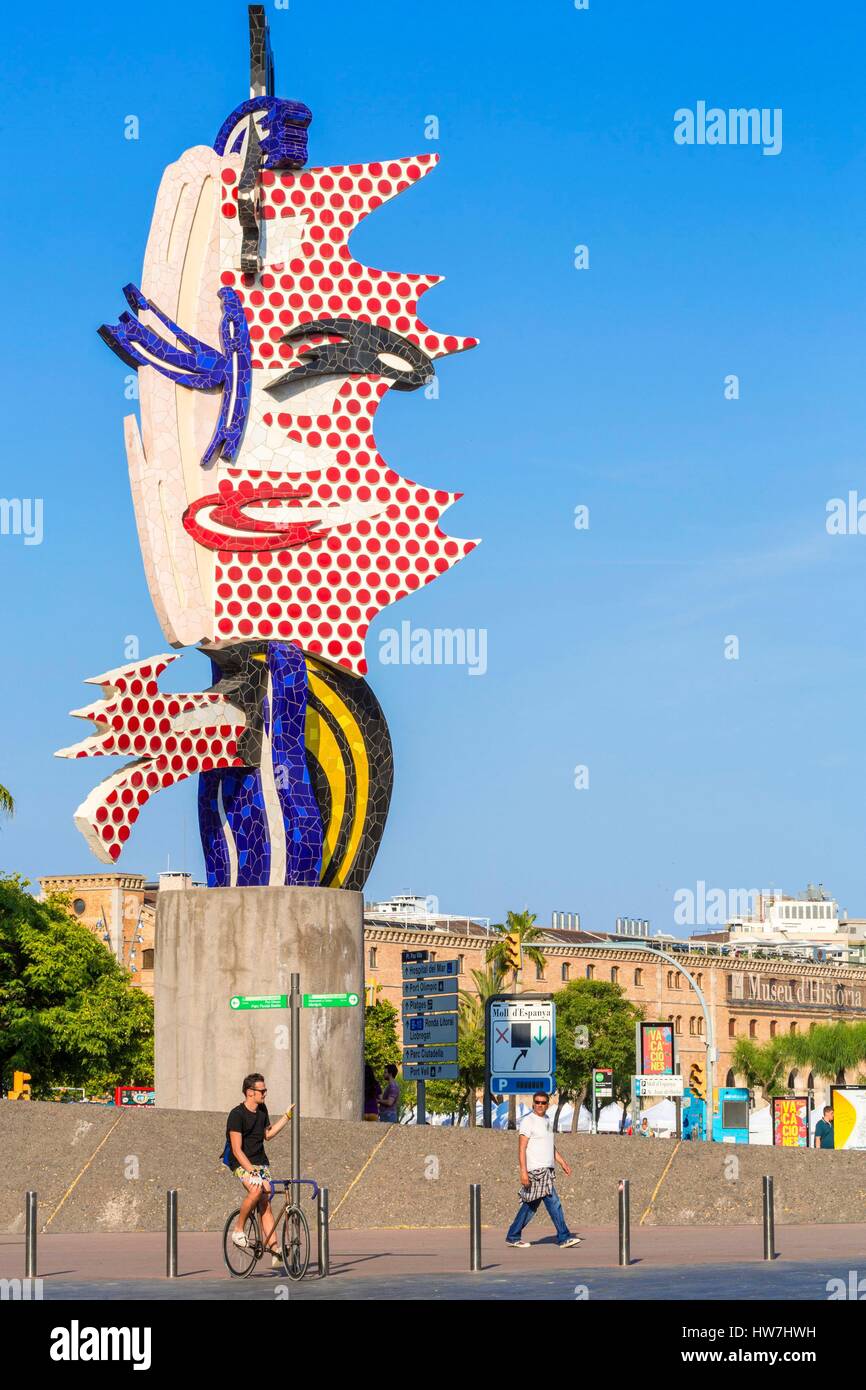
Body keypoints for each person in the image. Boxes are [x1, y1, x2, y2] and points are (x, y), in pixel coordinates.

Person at [226, 1074, 294, 1269]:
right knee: (256, 1190)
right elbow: (237, 1150)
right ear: (250, 1093)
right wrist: (252, 1173)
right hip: (240, 1163)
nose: (265, 1094)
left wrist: (286, 1117)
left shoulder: (262, 1110)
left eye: (265, 1090)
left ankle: (275, 1251)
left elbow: (268, 1135)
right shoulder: (236, 1115)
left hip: (260, 1162)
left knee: (266, 1201)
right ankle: (238, 1230)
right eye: (262, 1091)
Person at [506, 1092, 581, 1249]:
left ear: (547, 1104)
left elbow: (549, 1146)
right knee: (554, 1203)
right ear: (533, 1103)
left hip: (547, 1170)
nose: (540, 1105)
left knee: (530, 1206)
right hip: (536, 1170)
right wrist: (523, 1172)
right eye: (537, 1102)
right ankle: (564, 1237)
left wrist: (562, 1163)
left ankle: (513, 1236)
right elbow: (521, 1148)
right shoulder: (528, 1121)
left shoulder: (546, 1120)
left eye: (543, 1102)